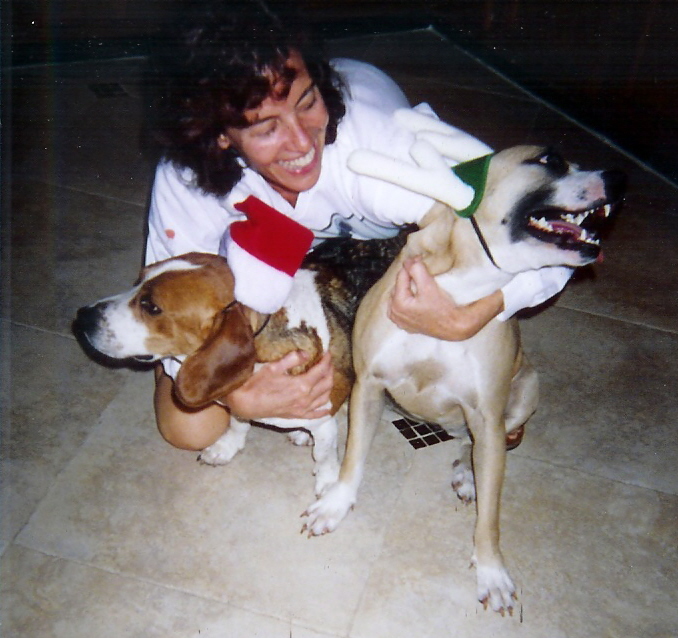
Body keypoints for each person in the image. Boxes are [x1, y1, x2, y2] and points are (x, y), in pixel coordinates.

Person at [145, 0, 569, 452]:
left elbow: (558, 239)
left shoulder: (382, 147)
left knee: (450, 282)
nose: (301, 141)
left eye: (308, 101)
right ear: (220, 135)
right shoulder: (187, 179)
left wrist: (475, 314)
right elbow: (170, 294)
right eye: (267, 128)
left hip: (379, 255)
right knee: (190, 428)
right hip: (271, 269)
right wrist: (237, 395)